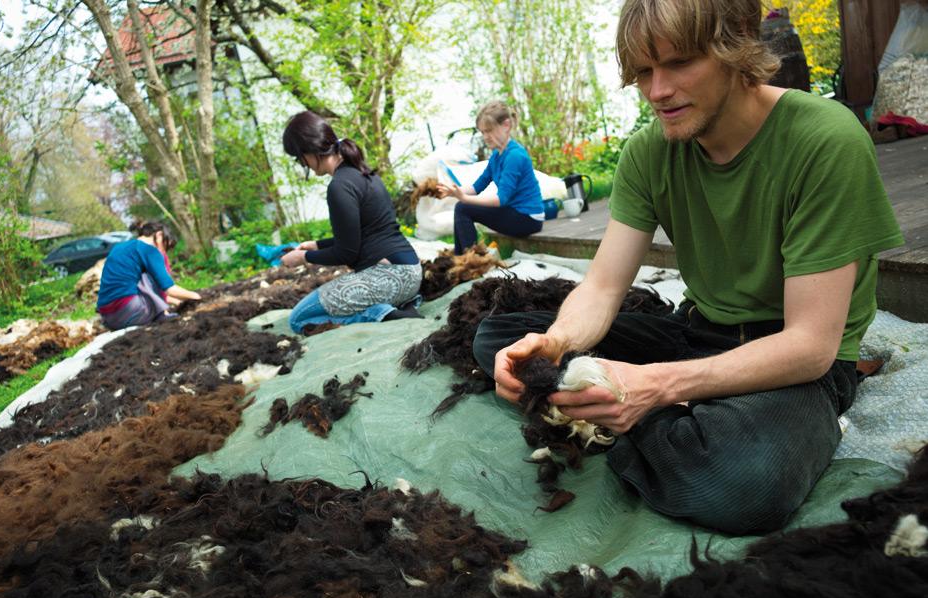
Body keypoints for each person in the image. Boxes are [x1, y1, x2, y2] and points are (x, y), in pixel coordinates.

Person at [472, 0, 905, 535]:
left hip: (793, 365)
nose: (657, 92)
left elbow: (810, 345)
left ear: (738, 45)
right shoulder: (647, 153)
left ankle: (630, 421)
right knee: (501, 340)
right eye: (644, 72)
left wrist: (654, 386)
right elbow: (604, 288)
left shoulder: (824, 140)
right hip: (696, 334)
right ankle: (655, 423)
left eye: (679, 63)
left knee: (743, 484)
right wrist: (558, 343)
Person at [281, 111, 423, 333]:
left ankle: (383, 314)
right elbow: (362, 233)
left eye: (299, 158)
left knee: (299, 319)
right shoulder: (362, 173)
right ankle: (400, 305)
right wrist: (317, 245)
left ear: (308, 151)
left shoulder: (339, 186)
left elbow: (346, 253)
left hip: (389, 277)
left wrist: (304, 258)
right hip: (409, 272)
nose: (303, 165)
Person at [437, 101, 545, 254]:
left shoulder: (515, 156)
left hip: (528, 219)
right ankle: (461, 258)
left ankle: (471, 261)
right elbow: (476, 187)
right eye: (482, 132)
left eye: (489, 131)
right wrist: (454, 191)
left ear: (506, 125)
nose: (485, 137)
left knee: (463, 208)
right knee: (462, 207)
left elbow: (501, 199)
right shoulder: (496, 156)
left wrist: (464, 199)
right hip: (515, 212)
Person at [97, 221, 201, 331]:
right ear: (160, 235)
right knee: (150, 274)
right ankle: (161, 315)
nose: (164, 251)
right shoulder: (150, 250)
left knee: (139, 275)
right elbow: (169, 289)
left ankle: (159, 312)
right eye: (166, 246)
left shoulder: (119, 247)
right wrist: (196, 296)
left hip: (108, 317)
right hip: (130, 313)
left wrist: (178, 302)